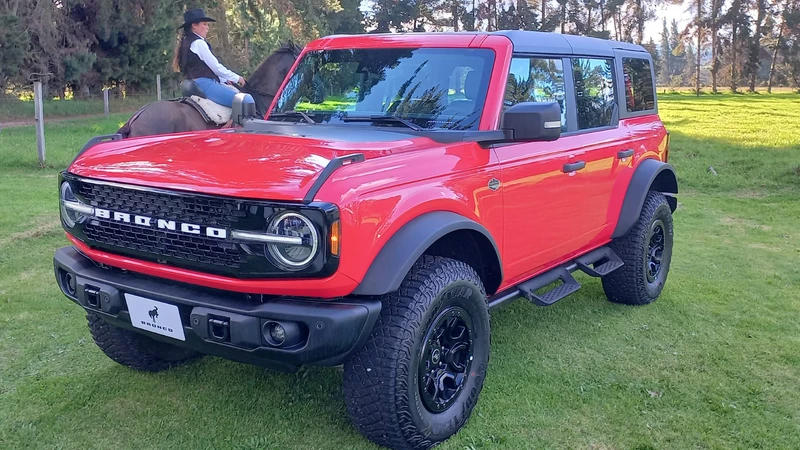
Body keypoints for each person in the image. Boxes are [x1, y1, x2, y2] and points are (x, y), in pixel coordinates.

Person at [171, 8, 245, 108]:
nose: (207, 28)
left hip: (192, 83)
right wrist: (237, 78)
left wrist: (223, 79)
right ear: (194, 26)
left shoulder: (186, 42)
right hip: (204, 84)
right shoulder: (199, 43)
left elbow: (205, 67)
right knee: (245, 101)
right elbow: (216, 67)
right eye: (205, 24)